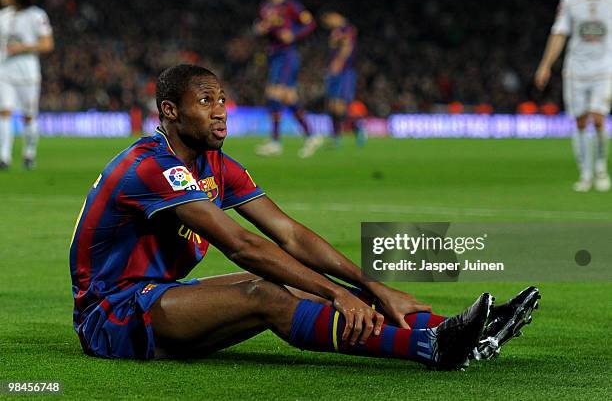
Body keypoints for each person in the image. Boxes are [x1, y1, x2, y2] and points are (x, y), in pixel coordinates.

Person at [69, 64, 539, 368]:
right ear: (169, 110)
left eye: (222, 100)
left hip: (159, 295)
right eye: (206, 101)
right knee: (264, 291)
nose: (220, 112)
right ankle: (432, 347)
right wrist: (337, 294)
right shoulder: (151, 166)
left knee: (294, 282)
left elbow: (289, 235)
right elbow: (244, 245)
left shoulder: (214, 164)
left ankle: (463, 326)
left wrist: (371, 285)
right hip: (113, 315)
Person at [535, 0, 612, 192]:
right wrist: (545, 64)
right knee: (580, 121)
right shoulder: (570, 0)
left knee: (598, 118)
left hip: (604, 69)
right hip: (576, 70)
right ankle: (585, 173)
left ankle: (600, 168)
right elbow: (559, 33)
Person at [253, 0, 323, 158]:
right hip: (274, 54)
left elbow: (309, 23)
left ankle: (275, 141)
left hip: (287, 54)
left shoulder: (290, 5)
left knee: (273, 93)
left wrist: (294, 34)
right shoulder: (265, 8)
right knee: (288, 98)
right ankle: (311, 135)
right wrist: (260, 30)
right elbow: (262, 28)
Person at [0, 0, 54, 170]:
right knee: (4, 112)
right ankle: (3, 157)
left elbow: (47, 44)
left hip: (28, 74)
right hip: (4, 72)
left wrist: (22, 48)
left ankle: (29, 154)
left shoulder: (36, 15)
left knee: (29, 116)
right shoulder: (2, 16)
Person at [321, 10, 365, 147]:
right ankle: (336, 138)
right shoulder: (335, 32)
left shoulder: (348, 29)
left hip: (345, 72)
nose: (327, 24)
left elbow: (347, 47)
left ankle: (358, 129)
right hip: (333, 72)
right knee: (331, 106)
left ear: (335, 15)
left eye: (328, 20)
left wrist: (338, 63)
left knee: (340, 106)